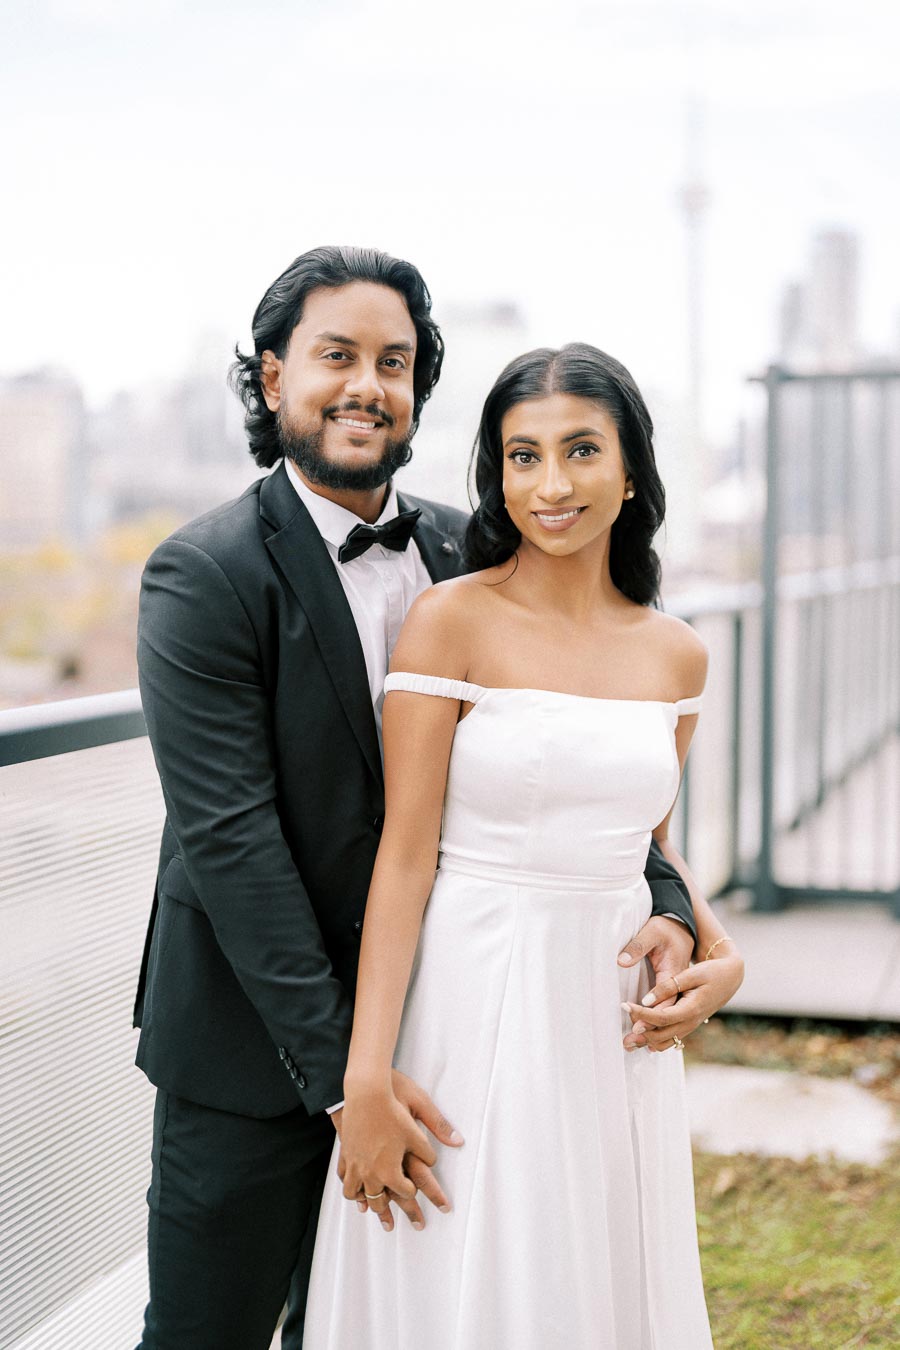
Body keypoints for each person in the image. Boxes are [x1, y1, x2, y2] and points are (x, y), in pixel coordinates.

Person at [131, 245, 704, 1350]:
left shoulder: (476, 550)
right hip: (258, 1049)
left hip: (449, 1035)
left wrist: (676, 912)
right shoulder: (200, 576)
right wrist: (355, 1085)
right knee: (206, 1333)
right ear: (269, 376)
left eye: (394, 362)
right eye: (335, 355)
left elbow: (577, 773)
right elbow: (231, 845)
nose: (366, 386)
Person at [303, 343, 745, 1349]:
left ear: (631, 471)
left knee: (586, 1271)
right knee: (464, 1256)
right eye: (523, 456)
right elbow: (404, 857)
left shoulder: (676, 651)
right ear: (497, 477)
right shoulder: (450, 621)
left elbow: (648, 845)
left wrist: (725, 956)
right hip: (473, 990)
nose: (552, 486)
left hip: (610, 1023)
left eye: (581, 451)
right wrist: (363, 1078)